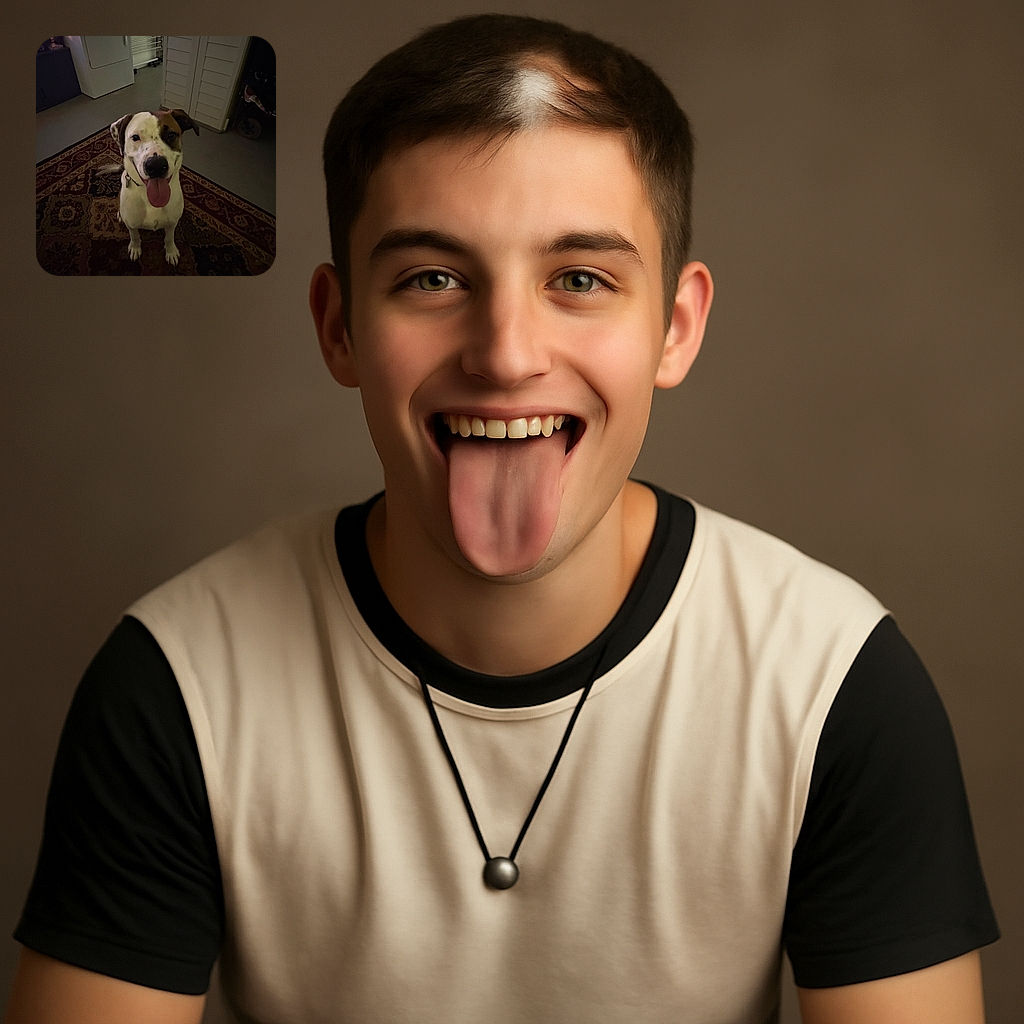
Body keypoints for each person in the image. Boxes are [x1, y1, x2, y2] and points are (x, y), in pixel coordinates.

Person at [5, 14, 998, 1024]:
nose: (505, 351)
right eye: (432, 278)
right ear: (339, 327)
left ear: (675, 326)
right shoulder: (176, 682)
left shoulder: (834, 682)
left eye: (579, 278)